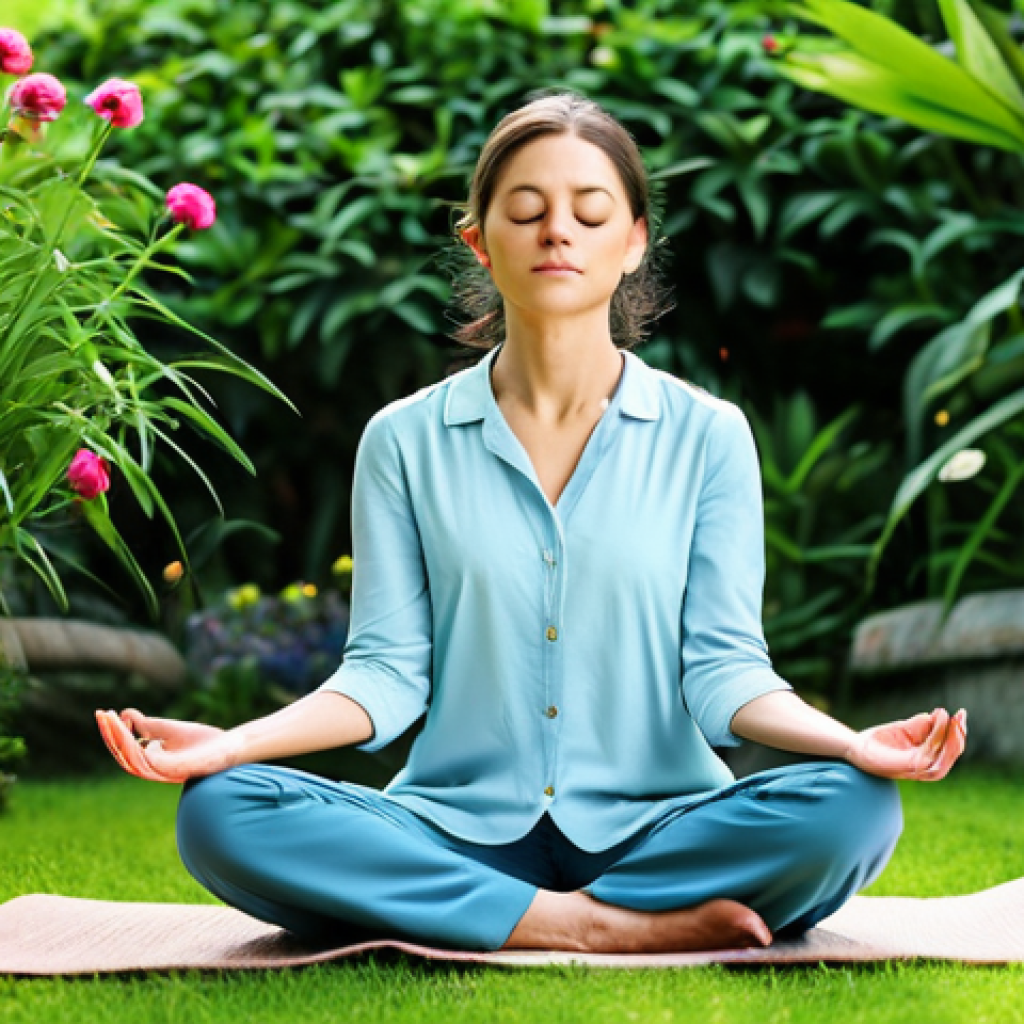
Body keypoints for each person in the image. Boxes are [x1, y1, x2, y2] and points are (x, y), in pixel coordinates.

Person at [95, 90, 966, 955]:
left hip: (659, 827)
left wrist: (852, 744)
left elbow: (725, 672)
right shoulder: (403, 440)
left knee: (854, 807)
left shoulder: (708, 435)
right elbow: (386, 676)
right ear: (480, 240)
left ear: (634, 242)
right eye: (526, 211)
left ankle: (477, 914)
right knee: (222, 811)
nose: (558, 233)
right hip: (453, 829)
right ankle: (593, 925)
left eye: (590, 213)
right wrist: (233, 747)